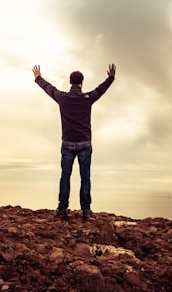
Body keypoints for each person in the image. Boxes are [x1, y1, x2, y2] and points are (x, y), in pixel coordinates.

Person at [32, 63, 116, 219]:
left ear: (70, 82)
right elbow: (101, 89)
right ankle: (86, 211)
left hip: (68, 144)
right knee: (85, 177)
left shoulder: (63, 98)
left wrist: (38, 78)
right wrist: (110, 78)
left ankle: (62, 210)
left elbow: (48, 88)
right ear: (81, 82)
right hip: (85, 143)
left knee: (65, 176)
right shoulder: (87, 99)